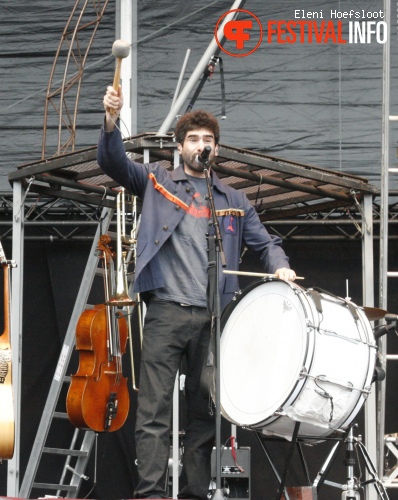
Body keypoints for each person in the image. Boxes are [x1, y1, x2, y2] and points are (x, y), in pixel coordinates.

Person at [98, 85, 297, 500]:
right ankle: (150, 494)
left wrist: (280, 267)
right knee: (153, 411)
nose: (201, 145)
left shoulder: (233, 199)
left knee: (205, 414)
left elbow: (265, 243)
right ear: (179, 146)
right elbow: (113, 162)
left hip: (215, 317)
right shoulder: (156, 180)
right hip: (167, 313)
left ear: (216, 150)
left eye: (208, 140)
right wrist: (111, 122)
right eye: (193, 139)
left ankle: (194, 494)